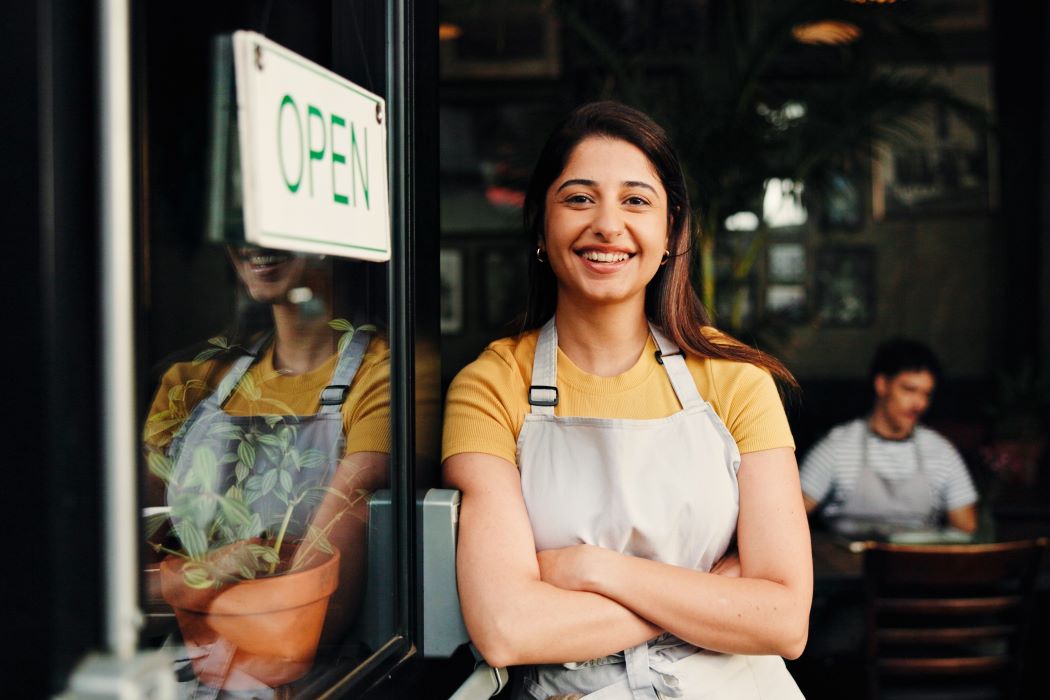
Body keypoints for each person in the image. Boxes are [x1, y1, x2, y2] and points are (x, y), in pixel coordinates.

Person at [443, 101, 811, 699]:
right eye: (580, 198)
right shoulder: (490, 384)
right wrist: (710, 600)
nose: (608, 225)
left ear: (670, 233)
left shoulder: (736, 379)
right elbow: (508, 628)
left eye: (636, 201)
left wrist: (592, 570)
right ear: (541, 225)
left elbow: (785, 622)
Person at [143, 245, 392, 686]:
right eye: (239, 224)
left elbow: (306, 617)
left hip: (302, 679)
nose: (252, 242)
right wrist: (216, 570)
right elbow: (107, 586)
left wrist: (179, 584)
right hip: (174, 671)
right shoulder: (190, 382)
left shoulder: (386, 376)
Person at [800, 338, 978, 537]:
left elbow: (966, 527)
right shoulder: (837, 447)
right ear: (882, 384)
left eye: (926, 394)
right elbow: (791, 514)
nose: (919, 403)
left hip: (918, 564)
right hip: (850, 565)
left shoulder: (942, 452)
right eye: (909, 390)